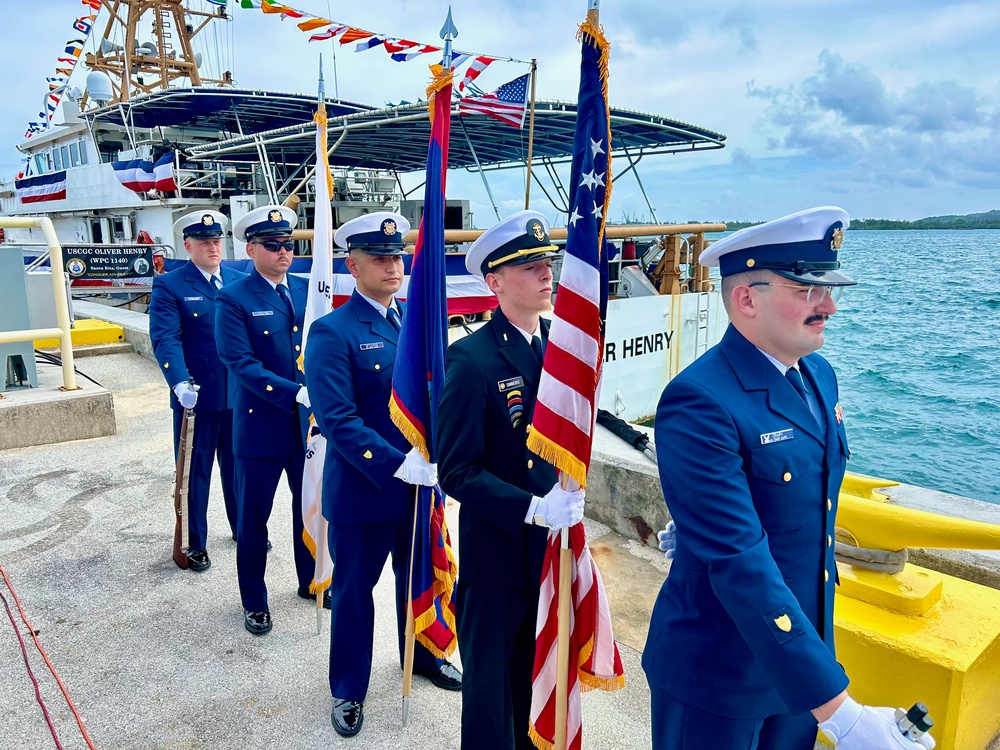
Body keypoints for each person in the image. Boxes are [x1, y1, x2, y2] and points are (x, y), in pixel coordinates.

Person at [644, 207, 935, 750]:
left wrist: (819, 683)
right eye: (805, 288)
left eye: (829, 289)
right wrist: (842, 714)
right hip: (719, 675)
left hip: (800, 662)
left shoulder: (817, 375)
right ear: (746, 299)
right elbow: (740, 562)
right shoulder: (699, 400)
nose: (827, 305)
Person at [304, 212, 462, 737]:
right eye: (380, 257)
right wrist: (400, 465)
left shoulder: (412, 324)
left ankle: (418, 656)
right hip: (364, 491)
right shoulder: (332, 331)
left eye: (397, 256)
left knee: (413, 579)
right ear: (352, 265)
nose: (394, 266)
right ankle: (348, 688)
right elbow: (337, 420)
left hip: (419, 492)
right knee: (354, 593)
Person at [437, 210, 586, 750]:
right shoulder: (471, 359)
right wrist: (533, 507)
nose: (545, 273)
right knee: (489, 693)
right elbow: (455, 470)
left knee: (535, 675)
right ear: (495, 282)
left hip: (548, 551)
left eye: (546, 262)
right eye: (528, 265)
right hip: (499, 554)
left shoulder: (554, 349)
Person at [215, 205, 319, 636]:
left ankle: (310, 581)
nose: (284, 252)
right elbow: (238, 361)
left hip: (304, 425)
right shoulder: (234, 296)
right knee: (253, 518)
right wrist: (294, 391)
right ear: (251, 247)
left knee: (308, 506)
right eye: (274, 245)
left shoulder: (306, 290)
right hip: (260, 425)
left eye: (289, 244)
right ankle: (254, 601)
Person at [149, 210, 245, 572]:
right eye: (204, 242)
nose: (213, 247)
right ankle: (193, 542)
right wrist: (179, 381)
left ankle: (243, 529)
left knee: (240, 470)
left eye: (217, 240)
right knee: (195, 473)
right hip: (197, 398)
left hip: (239, 396)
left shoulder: (238, 280)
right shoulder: (171, 285)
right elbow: (165, 339)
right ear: (188, 245)